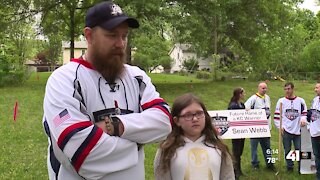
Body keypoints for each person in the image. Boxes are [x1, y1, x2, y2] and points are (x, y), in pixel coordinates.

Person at [42, 1, 172, 179]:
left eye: (124, 36)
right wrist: (138, 143)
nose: (120, 44)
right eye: (112, 35)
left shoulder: (137, 77)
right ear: (89, 36)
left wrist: (115, 126)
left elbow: (164, 122)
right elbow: (82, 152)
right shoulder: (64, 80)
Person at [154, 93, 234, 180]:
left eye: (199, 113)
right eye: (188, 115)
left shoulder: (219, 148)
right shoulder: (167, 150)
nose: (195, 119)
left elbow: (228, 177)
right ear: (177, 121)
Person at [274, 82, 307, 172]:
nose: (287, 91)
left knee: (299, 150)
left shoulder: (300, 101)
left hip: (298, 130)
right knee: (287, 150)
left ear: (292, 89)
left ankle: (301, 167)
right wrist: (280, 127)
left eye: (288, 89)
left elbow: (304, 113)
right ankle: (290, 167)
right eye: (285, 89)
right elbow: (277, 116)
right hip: (286, 130)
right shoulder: (281, 101)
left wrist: (303, 119)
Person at [244, 82, 275, 171]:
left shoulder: (267, 98)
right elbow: (246, 108)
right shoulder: (253, 98)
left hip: (266, 128)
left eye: (265, 88)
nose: (264, 90)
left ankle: (269, 164)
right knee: (254, 147)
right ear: (259, 88)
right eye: (262, 88)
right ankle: (255, 163)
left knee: (267, 147)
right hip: (256, 128)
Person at [228, 87, 246, 179]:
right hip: (235, 132)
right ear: (239, 94)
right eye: (243, 93)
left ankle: (239, 169)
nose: (244, 95)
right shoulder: (233, 105)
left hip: (242, 132)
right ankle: (235, 171)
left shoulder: (242, 105)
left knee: (240, 151)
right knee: (236, 152)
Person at [306, 83, 320, 179]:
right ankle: (318, 175)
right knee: (317, 156)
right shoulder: (315, 100)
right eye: (315, 88)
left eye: (317, 88)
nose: (315, 90)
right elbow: (312, 115)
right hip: (314, 133)